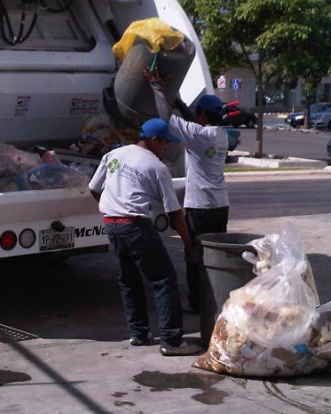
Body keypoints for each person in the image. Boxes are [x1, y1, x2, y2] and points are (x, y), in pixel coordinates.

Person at [88, 118, 201, 356]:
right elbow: (174, 213)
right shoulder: (157, 167)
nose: (165, 149)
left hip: (112, 224)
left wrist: (113, 207)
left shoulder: (115, 154)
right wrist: (188, 243)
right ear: (154, 140)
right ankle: (171, 340)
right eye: (165, 144)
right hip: (135, 225)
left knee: (129, 279)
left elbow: (94, 188)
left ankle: (138, 332)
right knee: (163, 279)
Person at [149, 78, 229, 313]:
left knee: (194, 252)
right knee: (215, 252)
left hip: (200, 206)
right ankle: (214, 296)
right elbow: (191, 121)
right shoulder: (220, 134)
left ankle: (197, 302)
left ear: (202, 115)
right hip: (220, 205)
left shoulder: (197, 135)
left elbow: (166, 118)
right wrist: (180, 103)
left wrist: (157, 87)